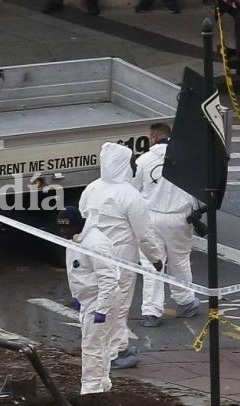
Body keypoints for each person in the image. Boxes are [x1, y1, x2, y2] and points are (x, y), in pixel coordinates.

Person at [79, 142, 164, 370]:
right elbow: (144, 233)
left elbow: (82, 213)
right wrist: (155, 258)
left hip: (93, 252)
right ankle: (114, 352)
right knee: (119, 304)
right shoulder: (130, 195)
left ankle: (119, 345)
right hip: (120, 255)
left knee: (101, 300)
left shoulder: (93, 188)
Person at [134, 123, 201, 327]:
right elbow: (196, 189)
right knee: (180, 261)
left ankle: (151, 312)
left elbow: (134, 190)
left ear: (153, 138)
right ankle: (185, 302)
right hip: (178, 218)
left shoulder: (143, 160)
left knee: (152, 264)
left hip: (150, 217)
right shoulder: (186, 158)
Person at [58, 206, 119, 395]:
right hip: (89, 299)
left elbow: (108, 279)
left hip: (100, 300)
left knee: (92, 347)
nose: (63, 232)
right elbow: (79, 271)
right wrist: (78, 297)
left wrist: (102, 308)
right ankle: (103, 384)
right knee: (100, 344)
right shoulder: (76, 239)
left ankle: (91, 391)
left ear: (77, 225)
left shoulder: (96, 244)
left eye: (66, 228)